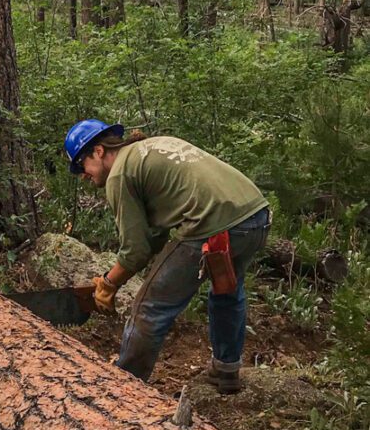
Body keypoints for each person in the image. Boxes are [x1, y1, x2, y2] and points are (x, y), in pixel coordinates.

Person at [64, 119, 270, 393]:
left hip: (213, 224)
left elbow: (135, 250)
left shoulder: (119, 175)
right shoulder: (150, 148)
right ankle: (226, 370)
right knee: (227, 291)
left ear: (99, 151)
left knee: (150, 307)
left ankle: (122, 389)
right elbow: (155, 235)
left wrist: (109, 283)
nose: (83, 176)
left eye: (81, 166)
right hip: (255, 216)